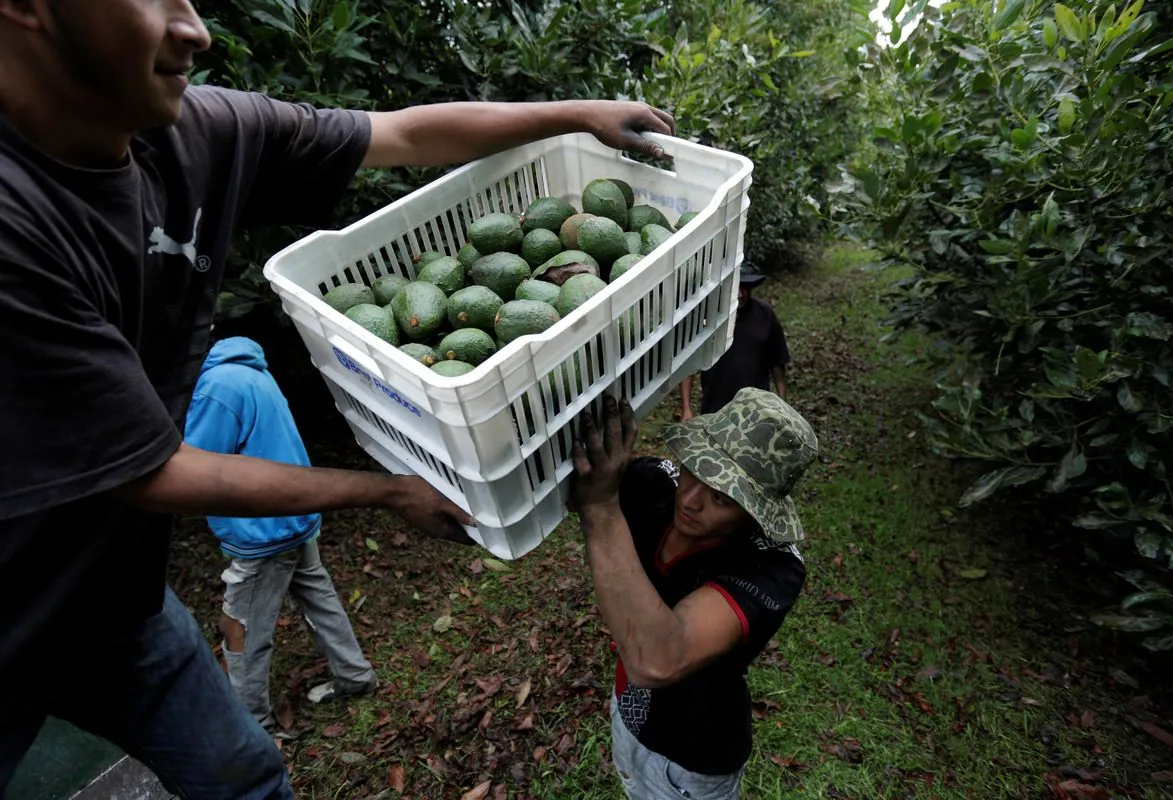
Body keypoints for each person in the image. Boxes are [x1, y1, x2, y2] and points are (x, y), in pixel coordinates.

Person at [0, 1, 676, 797]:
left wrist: (575, 116)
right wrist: (385, 490)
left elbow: (402, 135)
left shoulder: (195, 130)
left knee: (246, 777)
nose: (194, 28)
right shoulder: (17, 221)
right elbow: (153, 470)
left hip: (117, 603)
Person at [570, 388, 818, 799]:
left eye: (721, 497)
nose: (689, 500)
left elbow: (657, 658)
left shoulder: (772, 567)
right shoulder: (655, 482)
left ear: (755, 509)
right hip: (630, 712)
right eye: (694, 470)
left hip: (691, 755)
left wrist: (600, 508)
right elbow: (569, 483)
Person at [184, 335, 378, 738]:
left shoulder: (216, 388)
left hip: (265, 531)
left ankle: (253, 728)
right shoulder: (247, 367)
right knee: (317, 596)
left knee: (239, 626)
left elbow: (195, 471)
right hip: (294, 515)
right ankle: (355, 675)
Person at [680, 266, 789, 421]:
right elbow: (688, 367)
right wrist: (686, 408)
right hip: (715, 410)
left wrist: (782, 405)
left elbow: (778, 363)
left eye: (744, 288)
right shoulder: (707, 317)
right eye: (734, 288)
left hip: (757, 412)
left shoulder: (765, 315)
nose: (740, 294)